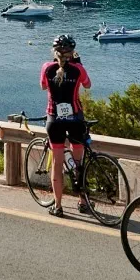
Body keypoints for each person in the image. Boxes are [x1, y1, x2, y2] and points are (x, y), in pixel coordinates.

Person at [40, 34, 91, 218]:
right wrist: (78, 65)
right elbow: (88, 85)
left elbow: (43, 87)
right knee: (78, 163)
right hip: (75, 119)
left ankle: (58, 206)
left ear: (55, 52)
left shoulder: (47, 68)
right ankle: (83, 202)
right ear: (72, 52)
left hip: (55, 120)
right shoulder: (78, 70)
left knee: (57, 163)